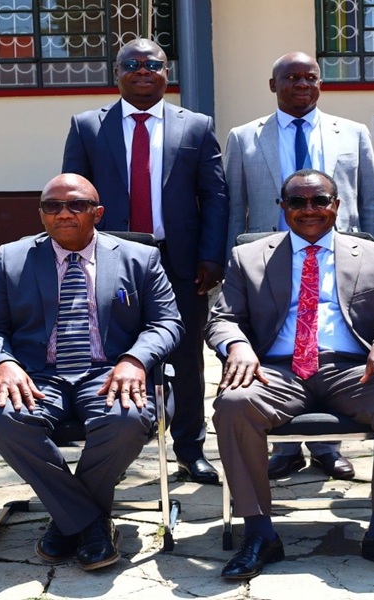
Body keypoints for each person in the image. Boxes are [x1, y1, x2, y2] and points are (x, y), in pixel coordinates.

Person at [207, 169, 374, 580]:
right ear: (282, 208)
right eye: (297, 202)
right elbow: (223, 320)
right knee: (234, 403)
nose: (309, 210)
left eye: (319, 200)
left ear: (337, 205)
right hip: (277, 370)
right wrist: (236, 346)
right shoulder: (248, 257)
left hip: (353, 369)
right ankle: (259, 533)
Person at [0, 173, 183, 571]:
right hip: (37, 374)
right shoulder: (12, 257)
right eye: (52, 206)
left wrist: (134, 359)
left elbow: (167, 323)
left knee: (128, 418)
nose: (63, 214)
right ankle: (89, 523)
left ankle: (66, 522)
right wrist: (3, 363)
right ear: (41, 214)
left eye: (76, 205)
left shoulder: (140, 258)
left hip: (109, 371)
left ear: (97, 213)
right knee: (1, 419)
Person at [62, 38, 227, 484]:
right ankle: (115, 442)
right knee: (113, 350)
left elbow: (214, 195)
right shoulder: (87, 126)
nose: (142, 70)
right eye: (131, 64)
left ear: (166, 72)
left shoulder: (194, 126)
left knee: (187, 355)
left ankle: (190, 449)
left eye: (152, 63)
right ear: (117, 72)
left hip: (180, 261)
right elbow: (72, 197)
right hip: (109, 261)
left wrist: (212, 256)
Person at [224, 51, 374, 481]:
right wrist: (229, 267)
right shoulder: (244, 138)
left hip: (338, 261)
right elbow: (233, 208)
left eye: (310, 77)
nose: (301, 85)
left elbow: (370, 200)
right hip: (270, 266)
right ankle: (285, 446)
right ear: (272, 84)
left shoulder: (352, 133)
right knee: (282, 351)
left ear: (320, 84)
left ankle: (328, 447)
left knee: (329, 346)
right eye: (291, 77)